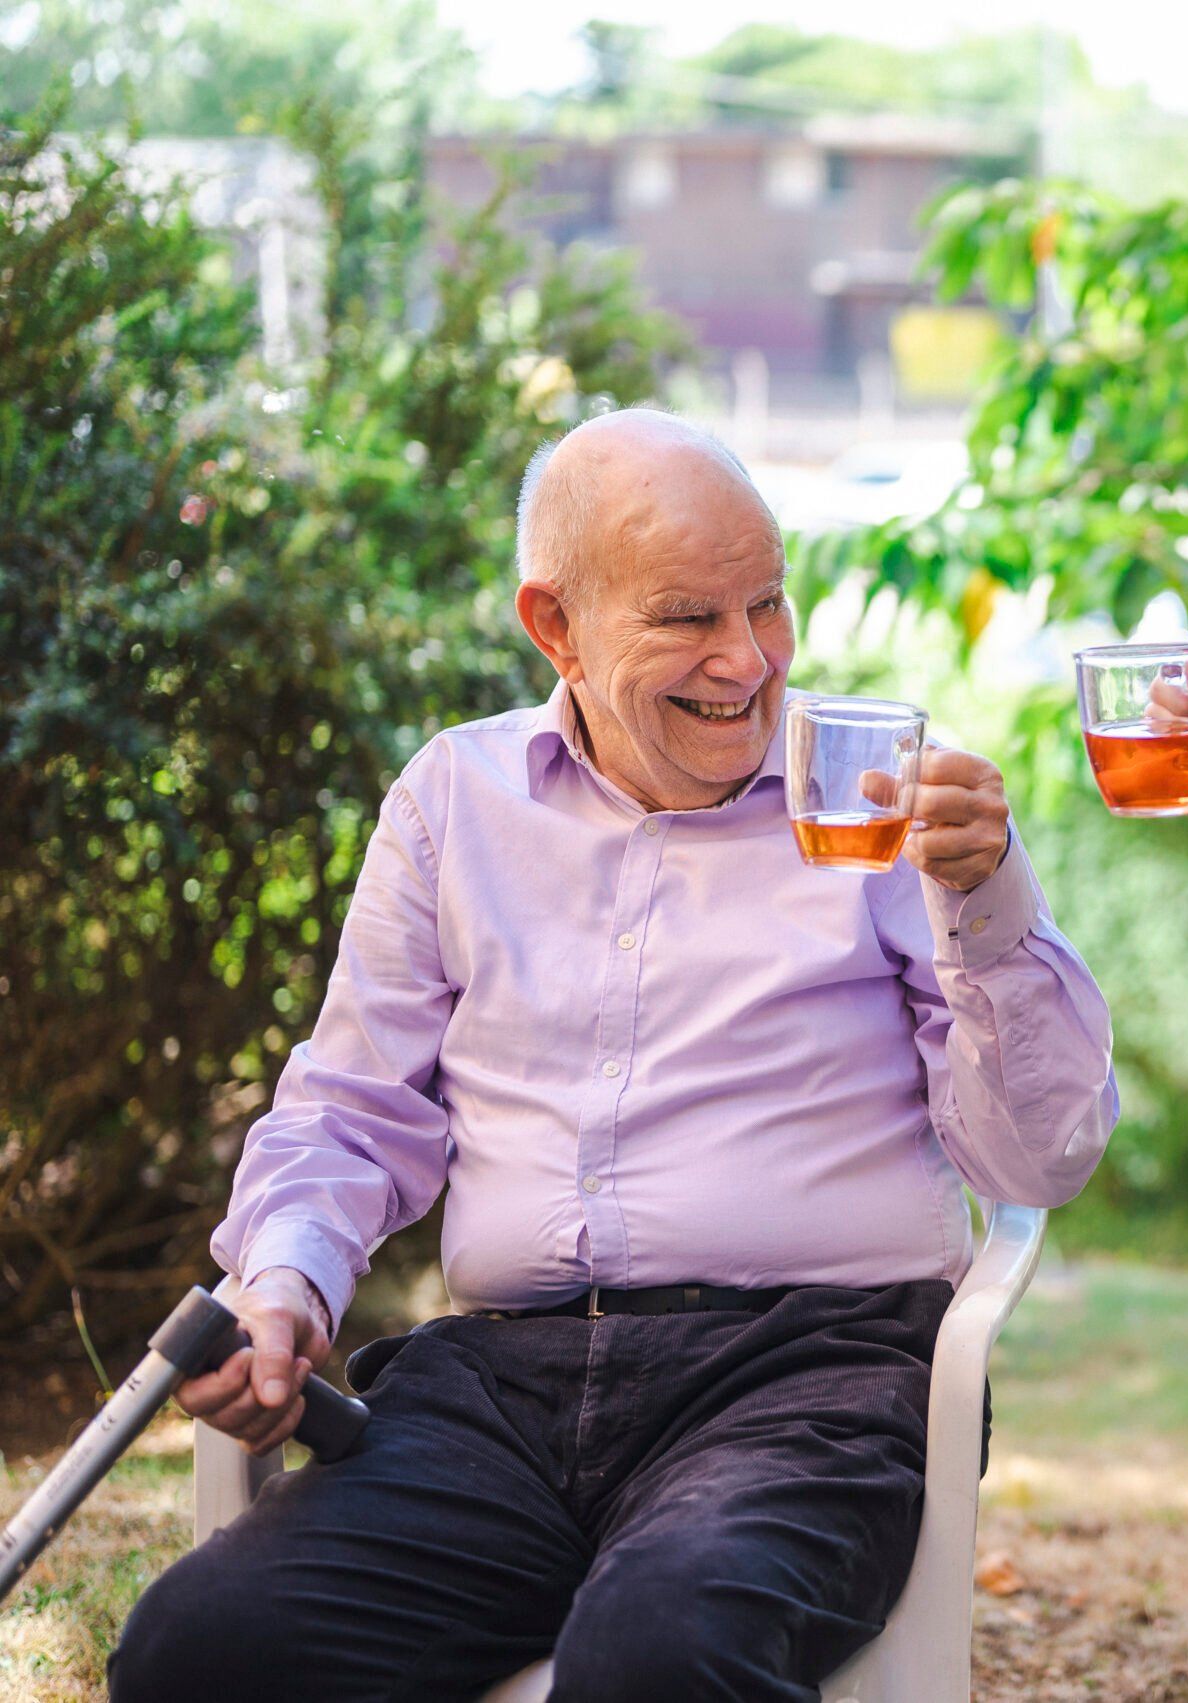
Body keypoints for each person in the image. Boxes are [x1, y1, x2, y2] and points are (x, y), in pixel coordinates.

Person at [111, 409, 1118, 1703]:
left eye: (767, 605)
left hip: (808, 1380)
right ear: (555, 628)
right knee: (201, 1651)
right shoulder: (455, 800)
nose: (748, 662)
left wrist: (987, 901)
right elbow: (351, 1114)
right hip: (499, 1391)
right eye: (689, 618)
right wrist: (284, 1289)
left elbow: (1042, 1156)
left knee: (659, 1658)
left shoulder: (876, 805)